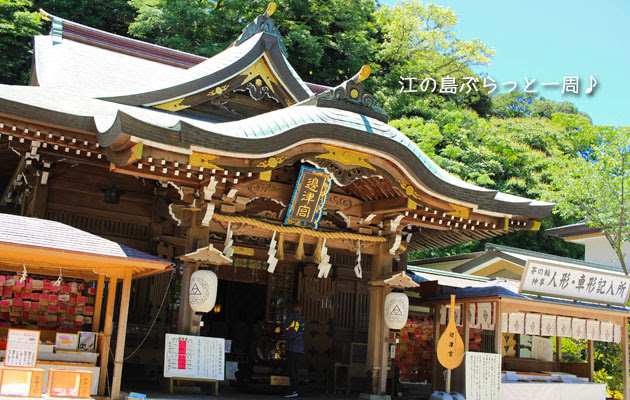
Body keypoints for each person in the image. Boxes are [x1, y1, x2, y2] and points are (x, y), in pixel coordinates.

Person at [282, 300, 304, 398]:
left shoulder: (291, 315)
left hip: (292, 346)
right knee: (296, 369)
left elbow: (285, 327)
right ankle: (296, 389)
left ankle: (293, 390)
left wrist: (282, 331)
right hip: (300, 346)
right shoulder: (300, 317)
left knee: (291, 369)